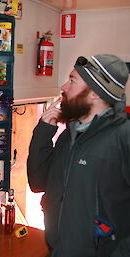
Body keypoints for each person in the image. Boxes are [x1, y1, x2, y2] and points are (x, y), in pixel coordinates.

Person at [27, 54, 130, 257]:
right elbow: (38, 182)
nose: (64, 87)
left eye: (72, 81)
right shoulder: (70, 134)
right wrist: (43, 132)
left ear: (95, 94)